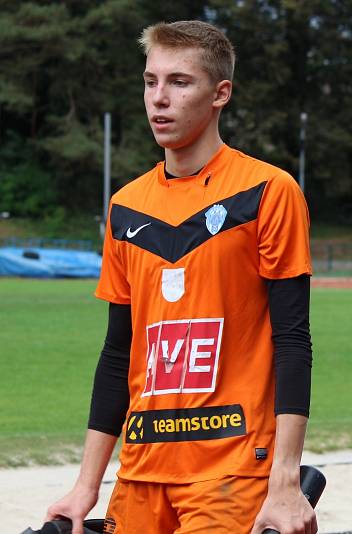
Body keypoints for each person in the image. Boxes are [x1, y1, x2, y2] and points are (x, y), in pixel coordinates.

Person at [44, 21, 316, 534]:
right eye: (150, 81)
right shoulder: (125, 207)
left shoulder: (268, 191)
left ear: (221, 94)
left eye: (179, 82)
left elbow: (293, 342)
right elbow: (117, 354)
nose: (159, 99)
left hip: (231, 469)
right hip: (142, 470)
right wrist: (86, 485)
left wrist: (285, 479)